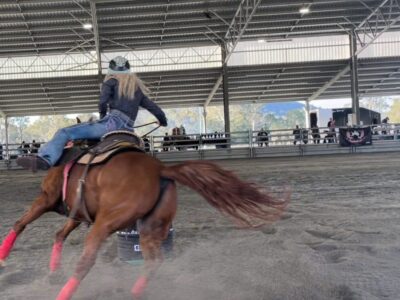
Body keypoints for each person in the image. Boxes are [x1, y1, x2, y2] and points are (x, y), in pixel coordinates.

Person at [17, 56, 168, 171]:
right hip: (128, 130)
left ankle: (46, 160)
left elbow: (102, 102)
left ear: (111, 71)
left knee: (64, 132)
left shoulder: (110, 82)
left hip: (111, 124)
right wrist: (162, 121)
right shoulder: (136, 90)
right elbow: (155, 108)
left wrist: (103, 119)